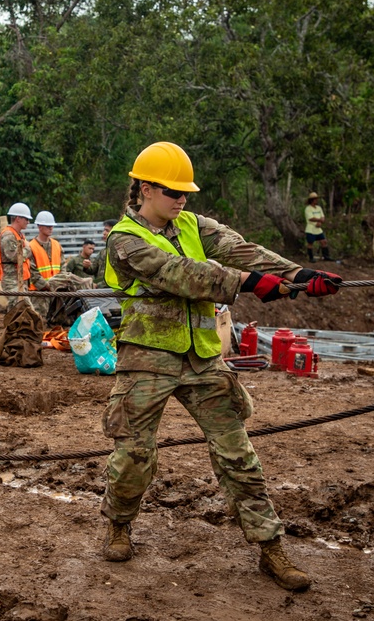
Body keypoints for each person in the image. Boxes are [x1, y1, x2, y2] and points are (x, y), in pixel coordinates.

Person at [100, 141, 342, 592]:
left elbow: (244, 252)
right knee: (134, 455)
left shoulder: (193, 224)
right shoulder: (124, 241)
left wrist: (298, 276)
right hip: (147, 358)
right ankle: (117, 525)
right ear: (146, 190)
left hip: (204, 358)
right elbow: (183, 275)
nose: (182, 200)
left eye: (185, 193)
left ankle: (271, 550)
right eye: (174, 193)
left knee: (239, 456)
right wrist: (254, 285)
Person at [0, 202, 47, 308]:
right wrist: (27, 248)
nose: (28, 222)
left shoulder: (18, 235)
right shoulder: (8, 236)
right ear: (18, 218)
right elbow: (14, 257)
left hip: (20, 281)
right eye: (26, 219)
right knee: (25, 310)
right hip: (12, 282)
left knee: (16, 311)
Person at [304, 192, 333, 262]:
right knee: (310, 243)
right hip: (311, 229)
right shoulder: (308, 208)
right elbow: (310, 218)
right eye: (315, 199)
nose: (316, 200)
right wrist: (319, 220)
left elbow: (322, 216)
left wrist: (320, 221)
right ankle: (311, 258)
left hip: (318, 228)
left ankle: (326, 256)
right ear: (312, 200)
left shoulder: (319, 208)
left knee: (323, 241)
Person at [92, 219, 117, 288]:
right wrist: (86, 266)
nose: (104, 233)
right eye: (104, 230)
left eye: (107, 230)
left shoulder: (119, 251)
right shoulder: (103, 252)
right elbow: (93, 269)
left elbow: (117, 276)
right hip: (101, 288)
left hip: (112, 290)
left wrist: (98, 285)